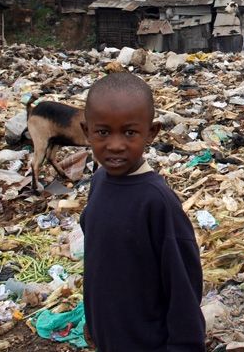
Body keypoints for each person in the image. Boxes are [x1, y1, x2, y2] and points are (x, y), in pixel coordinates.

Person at [80, 72, 205, 351]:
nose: (115, 145)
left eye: (129, 132)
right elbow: (98, 262)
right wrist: (94, 322)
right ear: (85, 130)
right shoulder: (99, 182)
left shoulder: (157, 203)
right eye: (102, 132)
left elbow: (184, 288)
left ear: (152, 133)